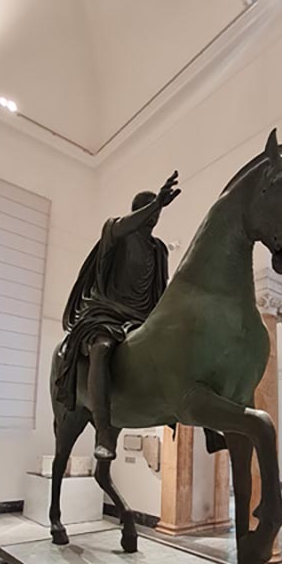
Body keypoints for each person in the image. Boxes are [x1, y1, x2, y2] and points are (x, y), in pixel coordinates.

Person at [55, 171, 181, 459]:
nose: (154, 217)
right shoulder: (114, 231)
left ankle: (200, 421)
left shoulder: (159, 249)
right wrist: (157, 202)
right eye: (150, 211)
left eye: (158, 212)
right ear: (137, 212)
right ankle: (102, 432)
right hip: (107, 314)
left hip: (142, 319)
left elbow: (160, 292)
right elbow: (125, 226)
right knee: (101, 349)